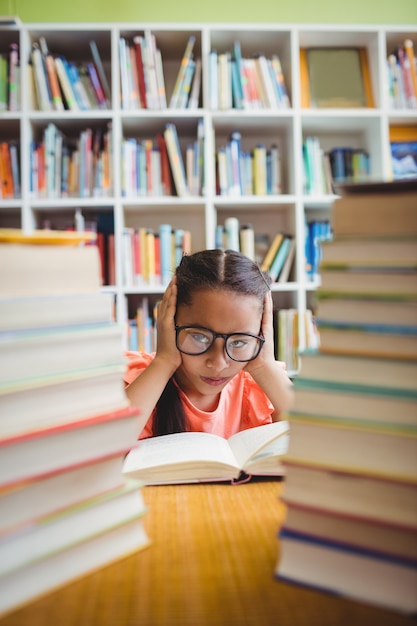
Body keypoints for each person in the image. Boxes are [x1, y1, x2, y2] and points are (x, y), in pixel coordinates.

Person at [124, 249, 294, 439]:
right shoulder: (139, 382)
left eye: (239, 341)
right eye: (199, 337)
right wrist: (164, 361)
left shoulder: (259, 388)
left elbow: (317, 442)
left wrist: (264, 366)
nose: (218, 363)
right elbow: (100, 452)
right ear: (168, 323)